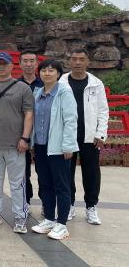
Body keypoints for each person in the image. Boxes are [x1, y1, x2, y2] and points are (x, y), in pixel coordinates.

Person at [0, 52, 34, 233]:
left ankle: (20, 216)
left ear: (11, 66)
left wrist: (25, 137)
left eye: (5, 64)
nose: (1, 67)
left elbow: (29, 114)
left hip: (15, 144)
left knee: (17, 183)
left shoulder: (22, 88)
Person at [31, 59, 78, 240]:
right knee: (45, 184)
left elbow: (70, 120)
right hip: (41, 146)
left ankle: (62, 224)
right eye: (44, 70)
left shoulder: (64, 92)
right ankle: (49, 219)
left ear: (58, 74)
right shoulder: (38, 93)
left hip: (58, 147)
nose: (47, 73)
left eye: (51, 70)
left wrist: (68, 146)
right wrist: (33, 143)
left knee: (62, 185)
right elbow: (34, 120)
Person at [59, 48, 108, 225]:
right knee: (66, 172)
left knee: (91, 173)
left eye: (81, 59)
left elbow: (103, 110)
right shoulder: (61, 82)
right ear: (69, 61)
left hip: (90, 137)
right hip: (67, 136)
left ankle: (91, 207)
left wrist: (101, 133)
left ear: (88, 62)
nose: (78, 62)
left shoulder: (96, 83)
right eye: (74, 59)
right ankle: (69, 204)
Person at [18, 50, 44, 205]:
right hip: (22, 135)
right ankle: (25, 201)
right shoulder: (15, 85)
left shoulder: (45, 84)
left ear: (36, 63)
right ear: (20, 63)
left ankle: (46, 203)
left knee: (43, 171)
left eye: (32, 61)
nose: (28, 64)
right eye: (25, 61)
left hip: (41, 134)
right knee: (23, 172)